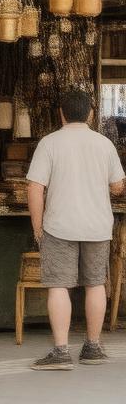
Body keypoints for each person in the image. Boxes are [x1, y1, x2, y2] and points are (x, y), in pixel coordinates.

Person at [26, 89, 125, 370]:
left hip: (60, 226)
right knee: (95, 284)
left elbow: (35, 187)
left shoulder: (50, 143)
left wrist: (38, 227)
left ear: (61, 113)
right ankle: (92, 348)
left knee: (59, 286)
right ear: (91, 114)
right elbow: (118, 185)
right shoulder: (104, 144)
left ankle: (60, 353)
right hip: (97, 226)